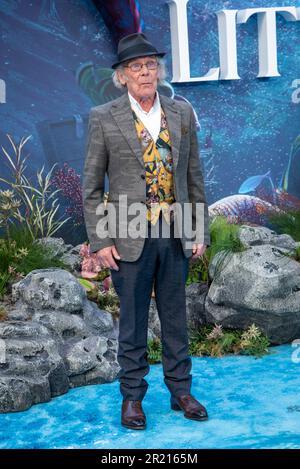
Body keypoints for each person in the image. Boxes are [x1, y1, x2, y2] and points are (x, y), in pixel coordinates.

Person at [82, 32, 211, 430]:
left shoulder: (181, 113)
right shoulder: (103, 117)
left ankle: (181, 391)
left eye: (151, 65)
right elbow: (91, 188)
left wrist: (198, 229)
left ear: (159, 71)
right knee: (134, 321)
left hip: (174, 231)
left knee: (176, 317)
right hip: (127, 234)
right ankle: (133, 398)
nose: (145, 73)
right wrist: (101, 241)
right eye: (136, 67)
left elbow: (193, 177)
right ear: (122, 76)